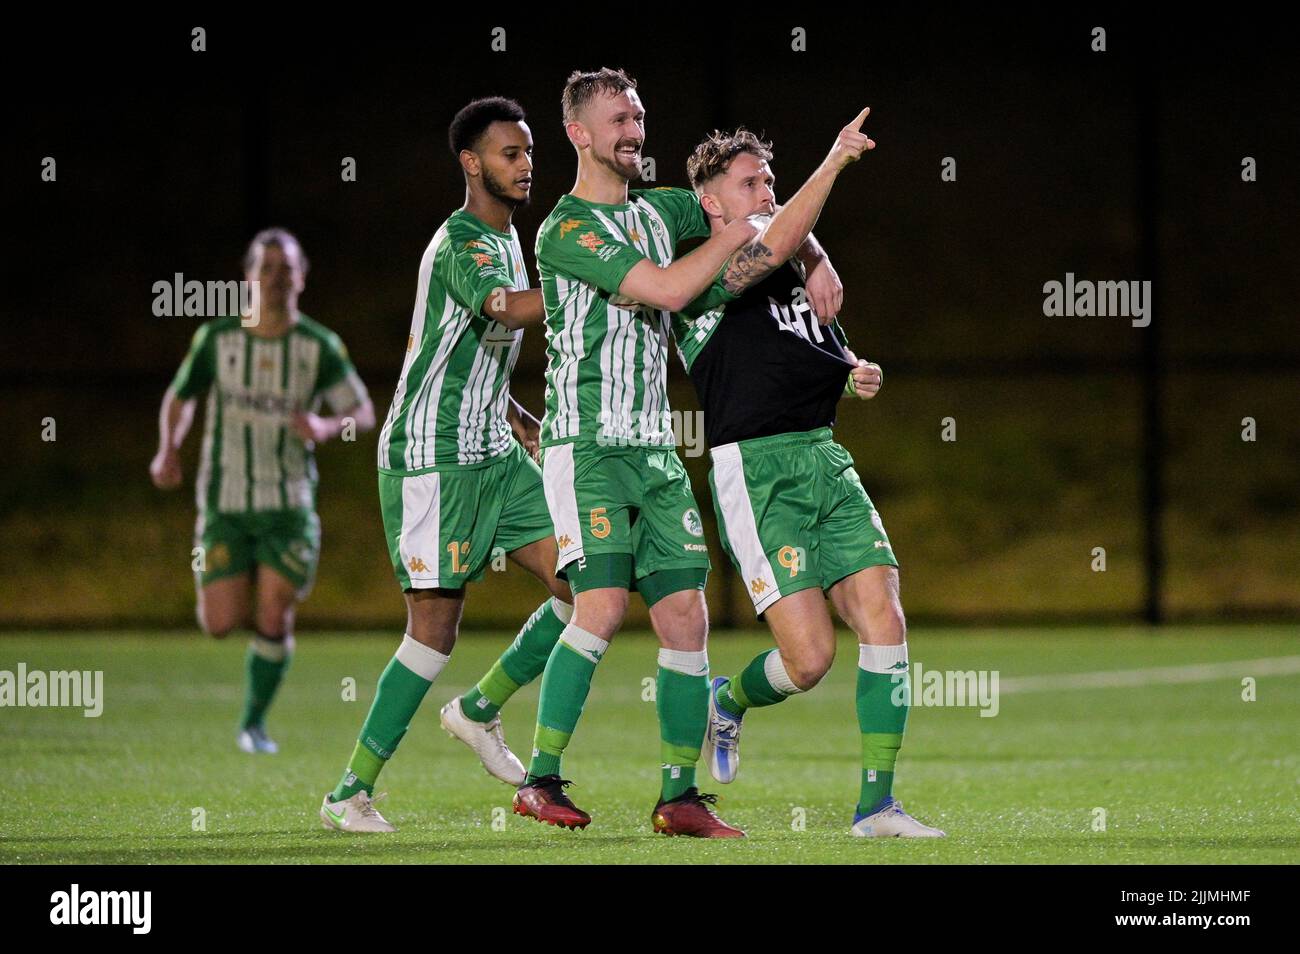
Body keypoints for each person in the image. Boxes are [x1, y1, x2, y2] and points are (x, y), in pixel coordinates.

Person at [151, 228, 374, 755]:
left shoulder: (318, 346)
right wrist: (168, 448)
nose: (275, 278)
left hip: (288, 506)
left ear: (302, 276)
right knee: (219, 623)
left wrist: (324, 427)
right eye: (266, 268)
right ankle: (238, 591)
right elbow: (181, 397)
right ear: (248, 276)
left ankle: (253, 725)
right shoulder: (217, 339)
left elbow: (362, 411)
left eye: (286, 268)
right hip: (224, 505)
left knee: (274, 613)